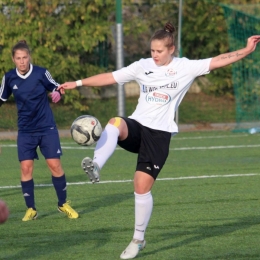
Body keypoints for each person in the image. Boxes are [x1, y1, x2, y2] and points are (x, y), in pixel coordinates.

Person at [58, 22, 260, 259]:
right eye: (152, 51)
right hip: (138, 126)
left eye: (159, 51)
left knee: (140, 187)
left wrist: (245, 50)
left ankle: (138, 239)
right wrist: (78, 83)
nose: (154, 55)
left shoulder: (186, 67)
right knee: (115, 122)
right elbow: (111, 77)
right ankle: (96, 166)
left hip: (159, 135)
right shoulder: (142, 66)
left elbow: (218, 59)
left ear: (171, 49)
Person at [0, 40, 79, 221]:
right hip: (26, 131)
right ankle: (31, 209)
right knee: (26, 168)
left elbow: (55, 86)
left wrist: (57, 92)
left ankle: (63, 203)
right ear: (13, 59)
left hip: (46, 127)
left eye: (25, 57)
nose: (22, 61)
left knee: (55, 165)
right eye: (18, 58)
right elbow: (1, 98)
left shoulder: (41, 73)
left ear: (29, 57)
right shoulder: (9, 77)